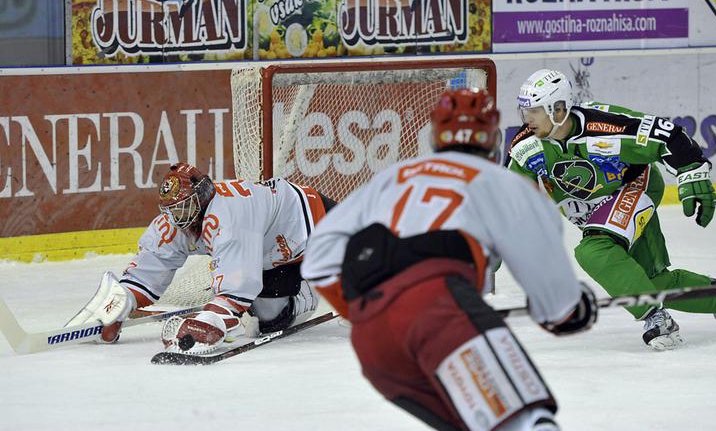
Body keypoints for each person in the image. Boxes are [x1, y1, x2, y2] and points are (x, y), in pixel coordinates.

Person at [301, 88, 597, 431]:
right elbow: (554, 300)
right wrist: (571, 310)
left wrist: (369, 310)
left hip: (375, 345)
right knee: (524, 424)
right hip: (441, 311)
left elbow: (318, 258)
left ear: (436, 136)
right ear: (492, 139)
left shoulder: (392, 177)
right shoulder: (503, 182)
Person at [508, 68, 716, 350]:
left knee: (593, 250)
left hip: (636, 187)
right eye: (524, 111)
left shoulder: (604, 126)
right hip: (597, 213)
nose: (527, 119)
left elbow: (667, 135)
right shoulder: (526, 146)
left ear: (558, 109)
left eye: (534, 111)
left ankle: (656, 319)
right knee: (649, 283)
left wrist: (692, 170)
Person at [66, 162, 335, 353]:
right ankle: (302, 291)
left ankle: (315, 277)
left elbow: (235, 288)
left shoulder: (228, 215)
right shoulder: (180, 220)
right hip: (271, 256)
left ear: (202, 195)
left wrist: (216, 319)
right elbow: (150, 267)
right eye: (172, 210)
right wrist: (121, 301)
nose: (177, 217)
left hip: (316, 225)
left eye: (184, 208)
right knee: (271, 319)